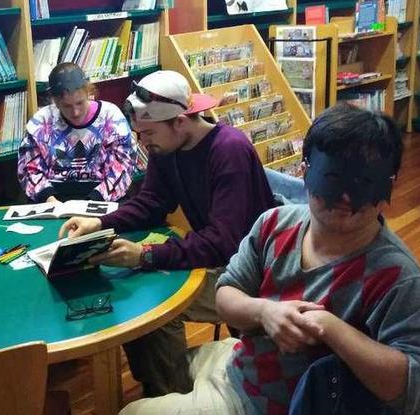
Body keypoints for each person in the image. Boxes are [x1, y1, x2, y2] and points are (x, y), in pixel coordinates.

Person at [121, 103, 420, 415]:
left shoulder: (397, 277)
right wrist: (264, 312)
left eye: (365, 181)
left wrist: (331, 329)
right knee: (168, 368)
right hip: (242, 366)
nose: (346, 197)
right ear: (305, 172)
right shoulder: (274, 223)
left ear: (389, 185)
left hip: (277, 404)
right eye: (332, 177)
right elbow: (227, 292)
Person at [59, 70, 276, 396]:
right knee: (138, 296)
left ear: (181, 121)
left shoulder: (229, 150)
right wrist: (101, 223)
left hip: (252, 274)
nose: (143, 142)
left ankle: (173, 396)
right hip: (220, 259)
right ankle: (158, 389)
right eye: (139, 133)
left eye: (148, 133)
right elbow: (152, 202)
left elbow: (223, 242)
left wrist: (145, 255)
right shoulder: (166, 146)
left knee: (154, 309)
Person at [18, 62, 136, 203]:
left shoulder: (111, 118)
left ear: (88, 92)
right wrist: (49, 199)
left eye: (80, 103)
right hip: (53, 197)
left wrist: (93, 201)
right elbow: (29, 169)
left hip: (102, 197)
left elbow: (122, 169)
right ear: (55, 101)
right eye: (66, 106)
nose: (75, 112)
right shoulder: (41, 122)